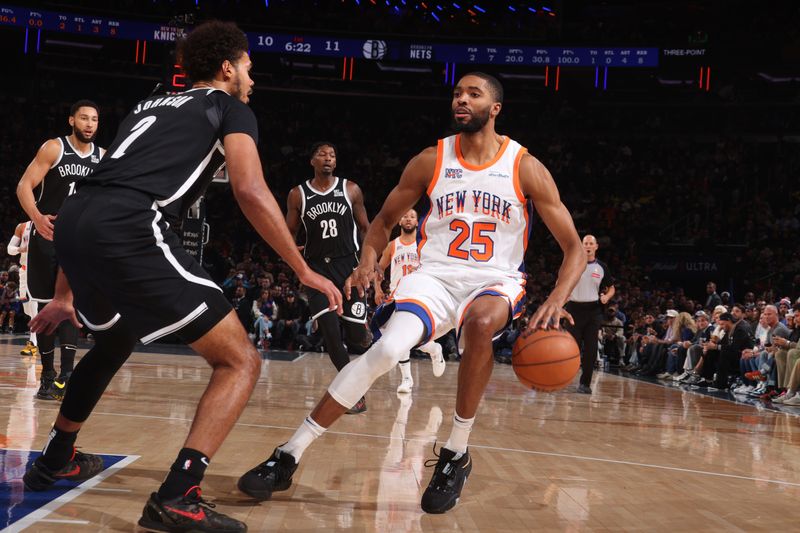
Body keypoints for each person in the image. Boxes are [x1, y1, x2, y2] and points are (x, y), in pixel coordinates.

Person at [23, 21, 341, 533]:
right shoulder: (230, 108)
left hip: (79, 224)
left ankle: (56, 456)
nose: (252, 79)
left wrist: (65, 295)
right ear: (227, 67)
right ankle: (179, 494)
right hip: (131, 224)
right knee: (240, 360)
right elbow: (250, 190)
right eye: (249, 68)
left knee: (114, 341)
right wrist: (301, 268)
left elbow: (98, 190)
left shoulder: (148, 103)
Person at [237, 72, 585, 514]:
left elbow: (573, 247)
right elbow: (381, 222)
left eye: (473, 94)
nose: (461, 99)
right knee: (385, 352)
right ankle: (289, 453)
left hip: (494, 279)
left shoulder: (524, 166)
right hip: (434, 275)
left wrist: (557, 298)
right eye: (457, 93)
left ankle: (456, 453)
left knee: (478, 325)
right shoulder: (430, 159)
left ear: (495, 108)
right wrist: (367, 259)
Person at [16, 99, 104, 400]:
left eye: (94, 119)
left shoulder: (103, 158)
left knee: (70, 308)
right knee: (45, 308)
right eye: (84, 118)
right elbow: (24, 186)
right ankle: (47, 376)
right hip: (48, 236)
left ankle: (66, 377)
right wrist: (37, 218)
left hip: (79, 241)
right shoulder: (54, 148)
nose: (90, 124)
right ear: (71, 121)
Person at [285, 141, 372, 413]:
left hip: (349, 268)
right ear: (312, 160)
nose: (328, 158)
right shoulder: (298, 195)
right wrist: (295, 259)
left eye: (332, 155)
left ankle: (370, 334)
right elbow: (288, 234)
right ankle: (352, 394)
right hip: (317, 271)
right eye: (322, 154)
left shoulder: (351, 189)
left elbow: (366, 228)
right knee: (331, 335)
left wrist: (366, 265)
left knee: (357, 337)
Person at [374, 208, 446, 393]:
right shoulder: (393, 245)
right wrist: (376, 289)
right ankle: (407, 379)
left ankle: (434, 350)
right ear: (399, 221)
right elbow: (379, 270)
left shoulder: (424, 245)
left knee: (411, 339)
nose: (408, 219)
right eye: (404, 216)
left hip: (419, 295)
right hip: (397, 296)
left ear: (417, 222)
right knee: (399, 339)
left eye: (412, 216)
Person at [565, 234, 615, 394]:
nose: (587, 245)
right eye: (585, 243)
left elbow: (611, 287)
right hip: (573, 310)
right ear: (581, 245)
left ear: (596, 247)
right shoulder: (572, 264)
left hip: (593, 311)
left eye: (590, 243)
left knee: (591, 349)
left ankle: (585, 384)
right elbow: (561, 284)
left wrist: (606, 296)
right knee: (570, 349)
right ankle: (563, 379)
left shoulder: (602, 267)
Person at [6, 221, 39, 355]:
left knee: (34, 307)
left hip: (39, 271)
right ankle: (37, 338)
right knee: (28, 309)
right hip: (24, 271)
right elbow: (10, 249)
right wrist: (21, 249)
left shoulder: (48, 224)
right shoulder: (22, 226)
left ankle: (33, 343)